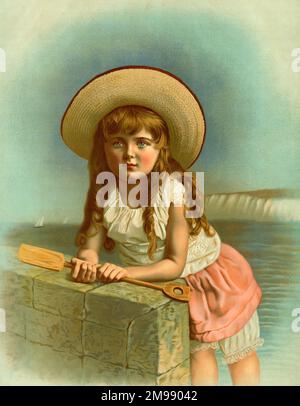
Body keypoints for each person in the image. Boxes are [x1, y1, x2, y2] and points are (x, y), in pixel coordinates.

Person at [61, 66, 263, 386]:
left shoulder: (178, 189)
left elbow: (174, 263)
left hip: (208, 276)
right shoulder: (104, 188)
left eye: (142, 143)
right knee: (196, 354)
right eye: (117, 142)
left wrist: (125, 273)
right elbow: (91, 241)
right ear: (104, 147)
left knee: (238, 353)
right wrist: (88, 259)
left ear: (160, 149)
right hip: (160, 284)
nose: (129, 153)